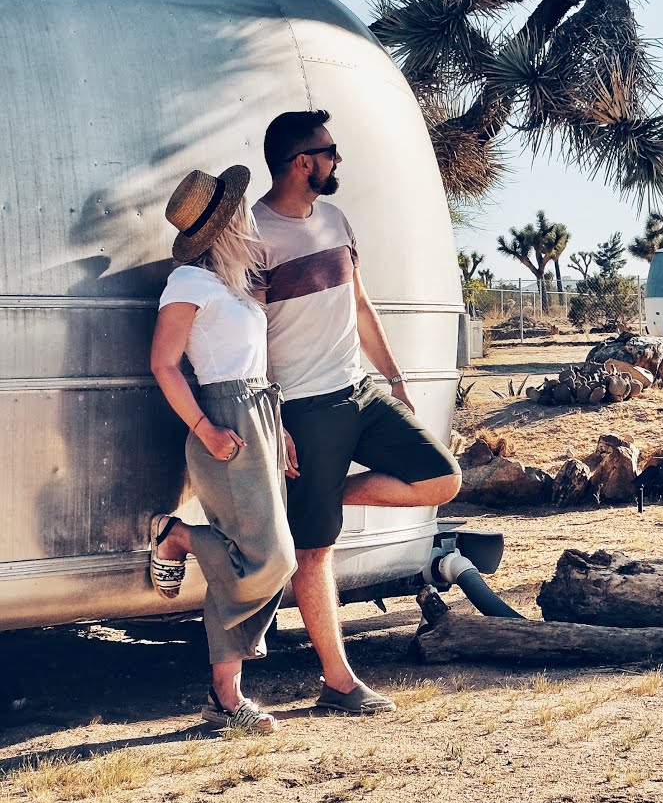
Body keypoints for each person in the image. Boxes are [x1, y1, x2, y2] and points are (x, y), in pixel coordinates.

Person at [252, 109, 462, 715]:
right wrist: (276, 418)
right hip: (304, 406)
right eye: (329, 150)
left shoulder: (337, 219)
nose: (337, 160)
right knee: (314, 552)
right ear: (301, 162)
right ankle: (339, 684)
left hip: (360, 391)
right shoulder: (257, 236)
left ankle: (331, 494)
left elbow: (361, 306)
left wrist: (394, 379)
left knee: (441, 479)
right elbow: (254, 338)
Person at [148, 167, 297, 735]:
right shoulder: (187, 282)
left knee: (253, 556)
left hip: (258, 416)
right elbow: (164, 365)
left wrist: (276, 426)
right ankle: (178, 536)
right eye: (239, 210)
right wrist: (207, 428)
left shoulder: (233, 285)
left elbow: (253, 366)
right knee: (272, 556)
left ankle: (226, 697)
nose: (248, 216)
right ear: (224, 224)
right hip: (223, 422)